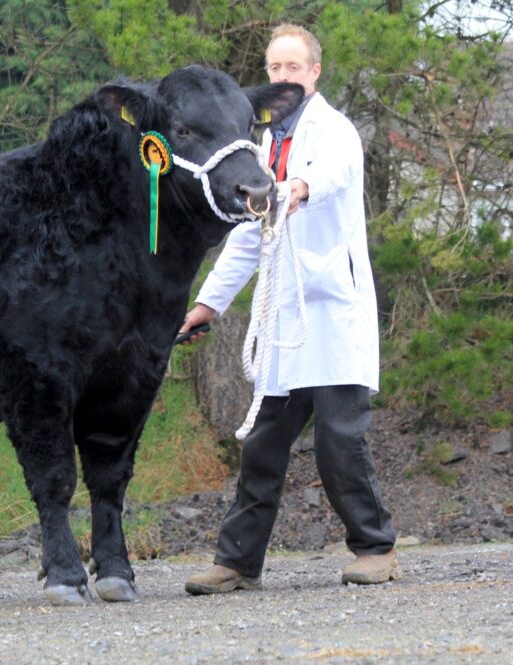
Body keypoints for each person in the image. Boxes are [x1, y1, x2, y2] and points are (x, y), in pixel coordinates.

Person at [179, 24, 399, 594]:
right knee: (262, 450)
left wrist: (296, 187)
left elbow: (334, 175)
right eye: (275, 70)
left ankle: (376, 549)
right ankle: (238, 563)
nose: (283, 78)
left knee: (339, 445)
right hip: (282, 327)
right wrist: (208, 304)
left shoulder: (336, 132)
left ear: (314, 73)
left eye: (293, 68)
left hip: (330, 316)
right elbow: (251, 236)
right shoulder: (262, 144)